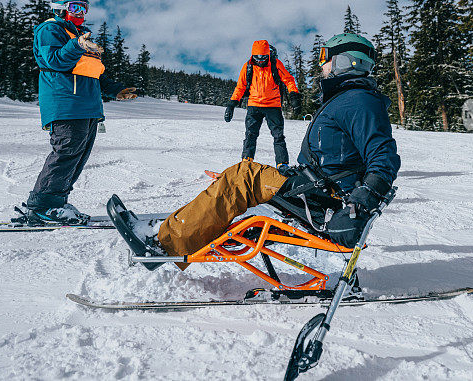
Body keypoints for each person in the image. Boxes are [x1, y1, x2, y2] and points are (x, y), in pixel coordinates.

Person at [110, 33, 400, 270]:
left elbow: (383, 155)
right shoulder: (348, 99)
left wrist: (362, 201)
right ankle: (174, 231)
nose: (321, 65)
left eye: (325, 58)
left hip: (327, 202)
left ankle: (162, 244)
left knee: (243, 175)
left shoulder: (358, 101)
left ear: (343, 62)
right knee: (237, 176)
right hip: (314, 188)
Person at [22, 0, 137, 225]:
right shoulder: (50, 30)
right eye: (75, 7)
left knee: (78, 155)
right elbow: (53, 60)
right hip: (65, 103)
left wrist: (115, 89)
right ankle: (41, 207)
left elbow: (92, 73)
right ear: (60, 8)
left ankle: (57, 202)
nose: (81, 13)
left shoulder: (80, 37)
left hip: (87, 106)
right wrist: (76, 44)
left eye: (84, 8)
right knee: (65, 153)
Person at [224, 40, 301, 171]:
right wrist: (231, 104)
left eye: (263, 58)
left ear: (268, 55)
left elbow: (288, 80)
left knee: (278, 136)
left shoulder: (275, 64)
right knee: (250, 134)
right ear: (253, 55)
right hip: (254, 105)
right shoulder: (248, 66)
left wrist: (294, 95)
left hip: (273, 106)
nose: (260, 61)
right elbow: (241, 87)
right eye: (257, 58)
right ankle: (246, 161)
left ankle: (282, 164)